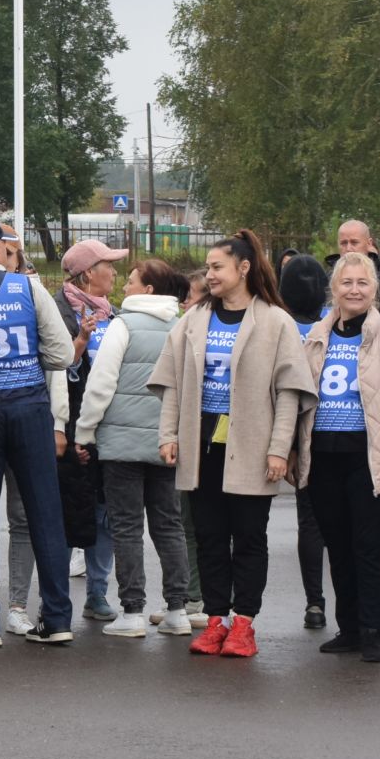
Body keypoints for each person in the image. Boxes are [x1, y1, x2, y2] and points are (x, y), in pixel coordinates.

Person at [154, 230, 312, 659]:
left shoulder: (275, 322)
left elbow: (290, 393)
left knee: (247, 537)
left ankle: (244, 623)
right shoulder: (194, 320)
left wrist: (280, 448)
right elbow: (171, 382)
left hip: (253, 445)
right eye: (208, 268)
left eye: (217, 267)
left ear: (243, 268)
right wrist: (169, 435)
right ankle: (216, 619)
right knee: (207, 536)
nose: (210, 274)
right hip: (203, 445)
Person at [0, 216, 76, 646]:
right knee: (44, 514)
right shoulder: (27, 287)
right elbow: (61, 354)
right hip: (27, 404)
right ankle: (57, 618)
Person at [295, 251, 380, 663]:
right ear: (334, 289)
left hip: (371, 457)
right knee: (338, 545)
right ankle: (347, 628)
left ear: (375, 290)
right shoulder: (314, 336)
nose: (354, 290)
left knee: (371, 547)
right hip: (324, 455)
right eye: (346, 283)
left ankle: (371, 632)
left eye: (362, 283)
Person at [74, 258, 194, 637]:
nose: (124, 286)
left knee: (126, 528)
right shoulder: (181, 327)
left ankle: (132, 612)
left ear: (148, 290)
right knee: (169, 525)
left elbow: (101, 384)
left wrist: (84, 431)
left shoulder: (122, 326)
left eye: (131, 281)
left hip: (121, 444)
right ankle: (178, 610)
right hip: (166, 443)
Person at [59, 238, 127, 622]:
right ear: (88, 274)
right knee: (69, 511)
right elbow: (57, 371)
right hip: (68, 432)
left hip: (108, 433)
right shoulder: (58, 312)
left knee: (104, 514)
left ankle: (97, 593)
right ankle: (57, 595)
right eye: (108, 266)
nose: (114, 273)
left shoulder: (115, 316)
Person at [278, 253, 331, 629]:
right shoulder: (333, 328)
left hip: (298, 439)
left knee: (309, 524)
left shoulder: (280, 330)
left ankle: (315, 602)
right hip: (335, 429)